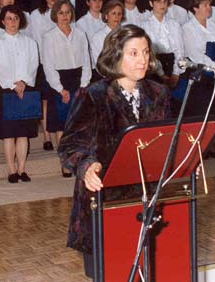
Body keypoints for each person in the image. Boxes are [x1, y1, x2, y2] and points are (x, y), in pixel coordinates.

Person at [58, 24, 170, 276]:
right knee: (107, 273)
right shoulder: (94, 96)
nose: (142, 60)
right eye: (133, 53)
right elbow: (69, 145)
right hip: (102, 199)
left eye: (145, 52)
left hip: (144, 199)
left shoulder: (159, 92)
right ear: (115, 56)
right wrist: (86, 166)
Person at [0, 5, 39, 183]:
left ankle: (21, 169)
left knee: (23, 133)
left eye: (16, 18)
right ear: (2, 21)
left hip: (26, 89)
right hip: (6, 90)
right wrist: (12, 83)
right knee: (9, 133)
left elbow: (34, 64)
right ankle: (11, 170)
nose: (13, 22)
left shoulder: (30, 42)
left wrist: (24, 82)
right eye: (9, 18)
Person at [42, 0, 91, 176]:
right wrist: (59, 88)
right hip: (60, 82)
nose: (65, 16)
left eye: (68, 12)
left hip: (78, 80)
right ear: (55, 15)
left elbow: (86, 60)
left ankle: (77, 160)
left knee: (77, 125)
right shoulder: (49, 36)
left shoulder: (79, 33)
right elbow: (48, 65)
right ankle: (64, 162)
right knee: (62, 125)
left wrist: (83, 85)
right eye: (61, 12)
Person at [180, 0, 215, 157]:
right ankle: (198, 148)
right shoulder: (187, 28)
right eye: (205, 5)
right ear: (195, 8)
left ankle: (211, 145)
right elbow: (194, 53)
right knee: (200, 111)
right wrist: (214, 66)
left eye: (209, 4)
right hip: (201, 74)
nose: (209, 8)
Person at [28, 0, 61, 151]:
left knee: (59, 98)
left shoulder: (64, 12)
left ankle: (60, 136)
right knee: (45, 100)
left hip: (62, 63)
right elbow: (36, 40)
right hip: (43, 61)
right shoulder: (36, 14)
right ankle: (47, 135)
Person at [142, 0, 184, 89]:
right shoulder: (144, 26)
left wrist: (176, 73)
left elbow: (180, 51)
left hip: (174, 65)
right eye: (158, 1)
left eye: (165, 2)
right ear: (151, 3)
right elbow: (149, 53)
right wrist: (161, 75)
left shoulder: (174, 24)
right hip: (154, 67)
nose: (162, 5)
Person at [89, 0, 124, 74]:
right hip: (106, 76)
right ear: (106, 16)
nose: (117, 17)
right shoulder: (97, 37)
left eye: (119, 14)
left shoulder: (126, 34)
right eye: (113, 13)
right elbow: (99, 64)